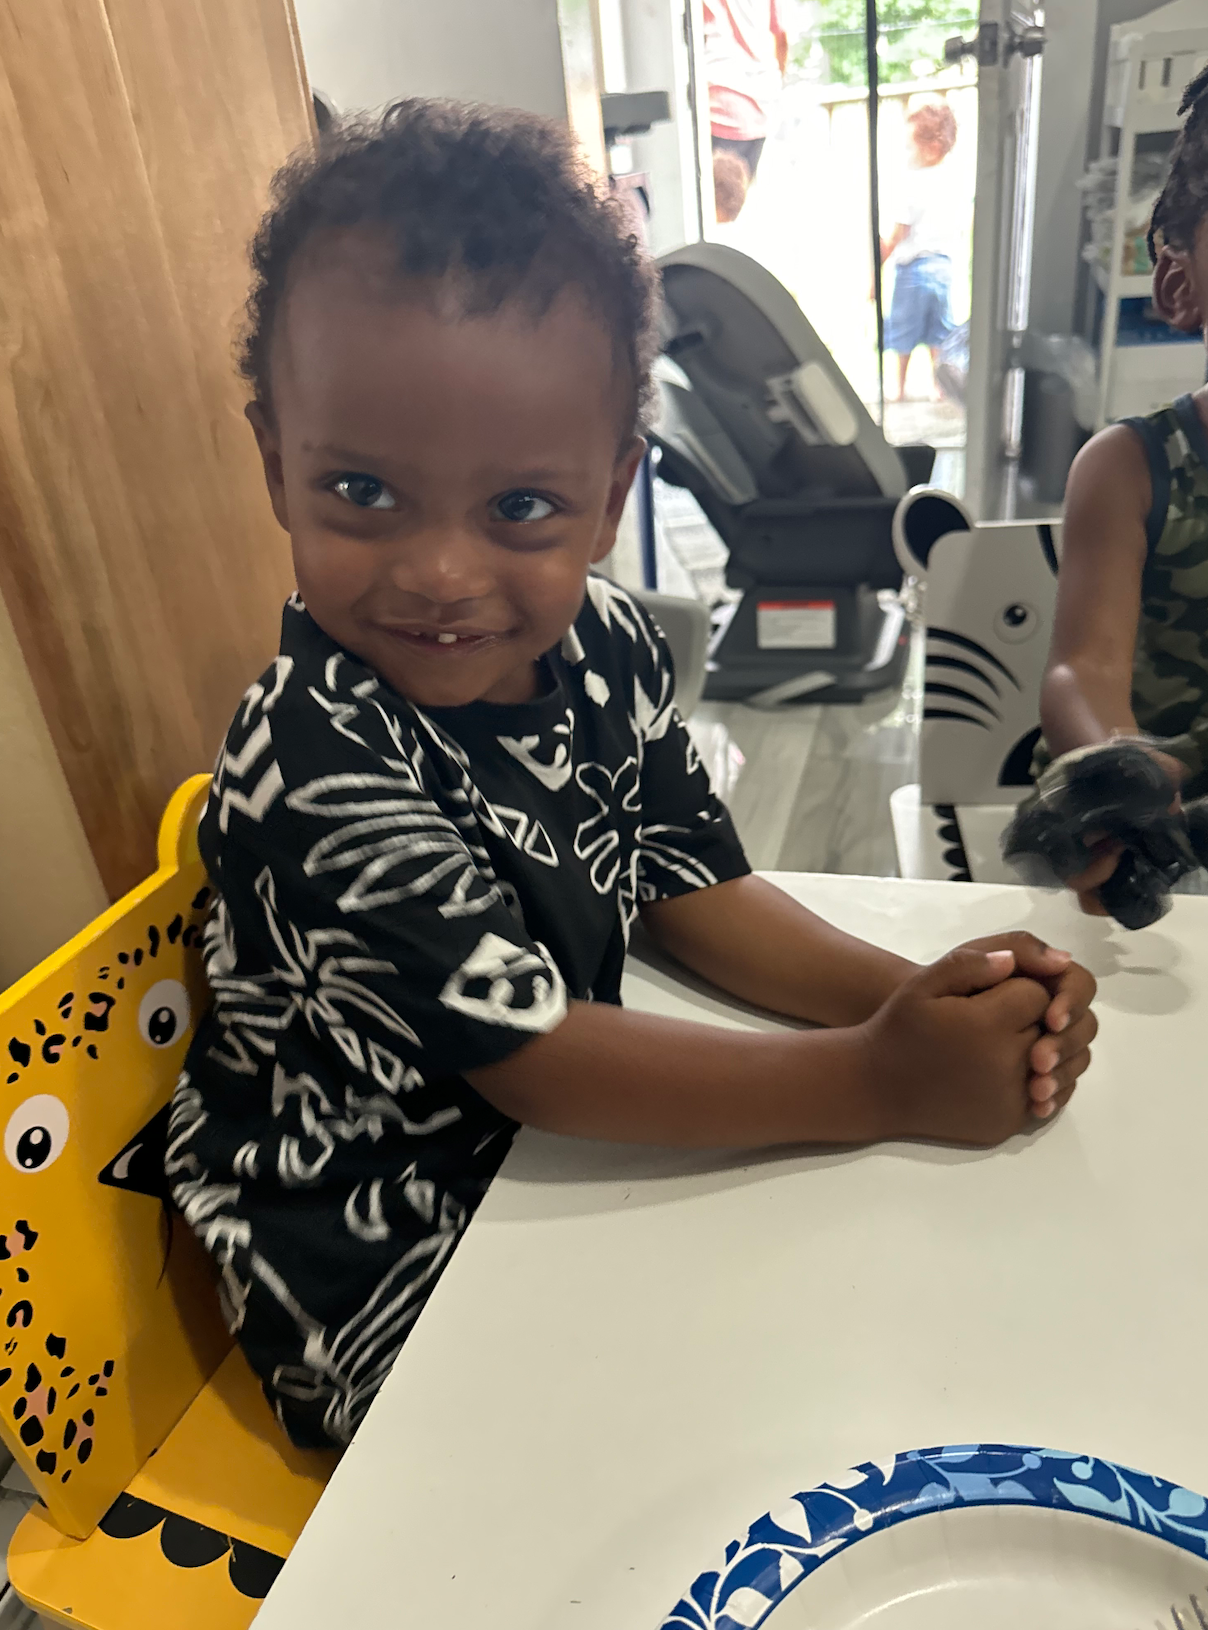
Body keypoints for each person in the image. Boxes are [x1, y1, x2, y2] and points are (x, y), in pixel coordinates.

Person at [166, 100, 1097, 1450]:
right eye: (362, 491)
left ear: (610, 497)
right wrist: (882, 1078)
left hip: (557, 1171)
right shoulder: (312, 753)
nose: (437, 571)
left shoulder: (601, 641)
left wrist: (922, 1000)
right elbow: (534, 1060)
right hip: (387, 1278)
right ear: (275, 464)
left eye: (520, 508)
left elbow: (689, 880)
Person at [1037, 50, 1208, 915]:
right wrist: (1122, 773)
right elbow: (1083, 666)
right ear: (1181, 282)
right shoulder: (1131, 467)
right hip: (1142, 842)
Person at [879, 101, 962, 402]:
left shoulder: (912, 183)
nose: (907, 149)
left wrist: (880, 260)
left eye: (910, 142)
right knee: (938, 332)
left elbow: (898, 232)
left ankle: (899, 388)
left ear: (930, 146)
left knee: (904, 330)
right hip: (944, 267)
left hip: (913, 268)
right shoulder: (953, 180)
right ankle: (938, 387)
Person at [703, 0, 788, 217]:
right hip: (760, 105)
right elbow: (782, 38)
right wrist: (775, 86)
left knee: (714, 213)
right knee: (732, 211)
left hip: (720, 105)